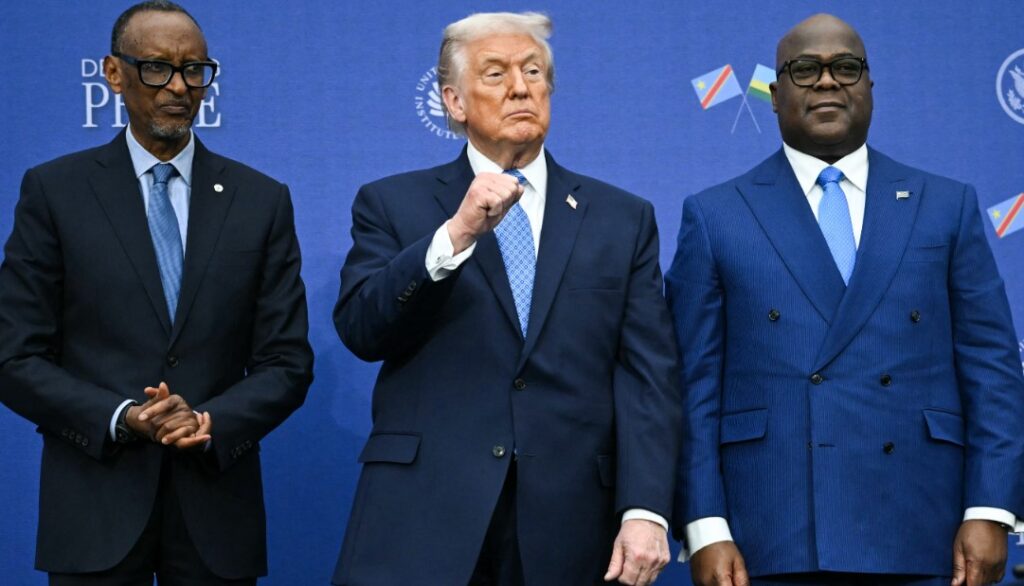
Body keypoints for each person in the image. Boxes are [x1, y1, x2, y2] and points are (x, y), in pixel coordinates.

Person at [666, 13, 1024, 586]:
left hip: (924, 527)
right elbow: (692, 386)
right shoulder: (715, 216)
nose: (827, 82)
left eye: (846, 68)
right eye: (805, 70)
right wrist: (706, 524)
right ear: (774, 93)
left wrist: (989, 510)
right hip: (769, 531)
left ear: (870, 89)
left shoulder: (946, 206)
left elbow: (993, 370)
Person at [332, 11, 680, 586]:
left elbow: (649, 376)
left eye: (534, 71)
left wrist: (645, 509)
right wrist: (456, 235)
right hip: (424, 516)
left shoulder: (623, 218)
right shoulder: (392, 204)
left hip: (572, 527)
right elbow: (362, 330)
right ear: (454, 101)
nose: (521, 86)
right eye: (495, 73)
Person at [0, 2, 313, 584]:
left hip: (217, 514)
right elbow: (13, 356)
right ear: (114, 74)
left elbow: (287, 363)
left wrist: (207, 419)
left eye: (195, 70)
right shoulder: (54, 192)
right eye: (157, 68)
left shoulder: (261, 200)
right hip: (94, 509)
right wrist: (122, 416)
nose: (178, 86)